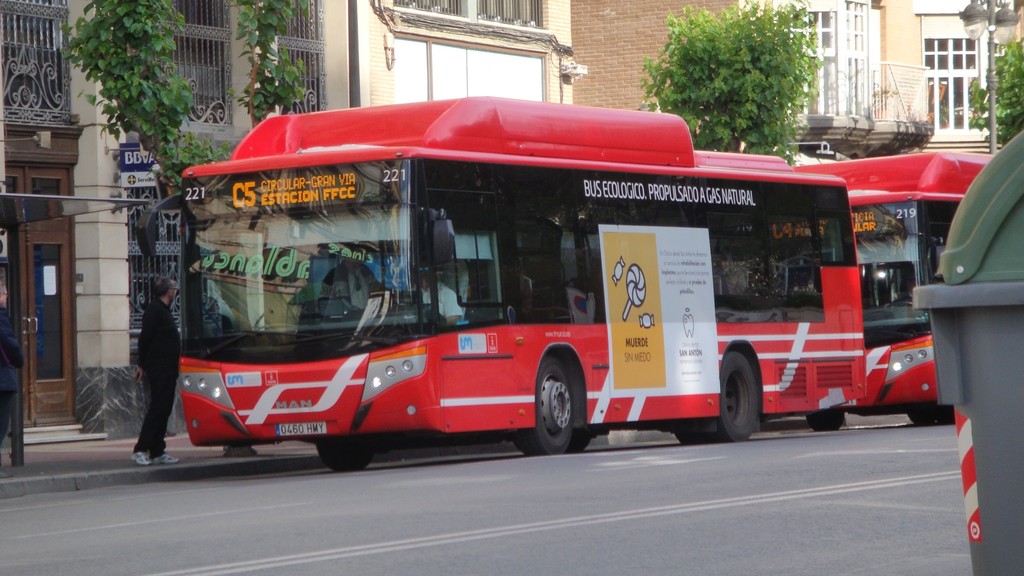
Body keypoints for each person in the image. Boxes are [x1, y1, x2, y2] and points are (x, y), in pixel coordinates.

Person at [132, 277, 182, 466]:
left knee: (164, 409)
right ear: (168, 291)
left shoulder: (163, 310)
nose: (175, 291)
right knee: (157, 409)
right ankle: (140, 449)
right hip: (158, 369)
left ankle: (157, 450)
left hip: (168, 369)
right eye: (174, 288)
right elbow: (144, 339)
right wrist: (141, 364)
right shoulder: (154, 311)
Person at [0, 281, 24, 478]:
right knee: (0, 424)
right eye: (5, 293)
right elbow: (10, 344)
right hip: (2, 380)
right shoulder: (1, 317)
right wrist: (19, 360)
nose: (6, 296)